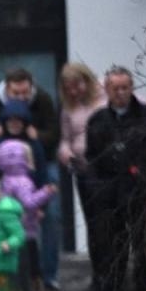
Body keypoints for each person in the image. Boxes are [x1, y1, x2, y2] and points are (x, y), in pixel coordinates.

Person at [82, 66, 146, 291]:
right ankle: (113, 288)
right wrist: (97, 188)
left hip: (139, 189)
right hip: (109, 191)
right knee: (112, 241)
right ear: (107, 90)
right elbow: (92, 157)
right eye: (115, 88)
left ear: (132, 88)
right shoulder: (98, 120)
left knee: (141, 241)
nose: (120, 93)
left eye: (124, 88)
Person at [0, 68, 63, 290]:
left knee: (50, 216)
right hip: (6, 168)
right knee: (5, 219)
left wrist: (36, 137)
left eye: (26, 92)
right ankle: (6, 271)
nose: (22, 97)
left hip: (39, 159)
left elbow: (54, 133)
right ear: (7, 89)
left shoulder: (41, 98)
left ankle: (48, 274)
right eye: (16, 93)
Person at [0, 137, 57, 291]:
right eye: (28, 157)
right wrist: (46, 192)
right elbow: (28, 202)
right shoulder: (23, 182)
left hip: (8, 229)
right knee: (25, 266)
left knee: (11, 264)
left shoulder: (5, 179)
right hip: (24, 230)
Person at [55, 62, 106, 261]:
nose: (73, 92)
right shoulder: (69, 108)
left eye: (77, 86)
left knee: (108, 223)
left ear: (87, 80)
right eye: (68, 88)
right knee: (92, 223)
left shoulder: (105, 98)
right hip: (84, 170)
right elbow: (65, 139)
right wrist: (66, 154)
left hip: (107, 169)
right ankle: (98, 273)